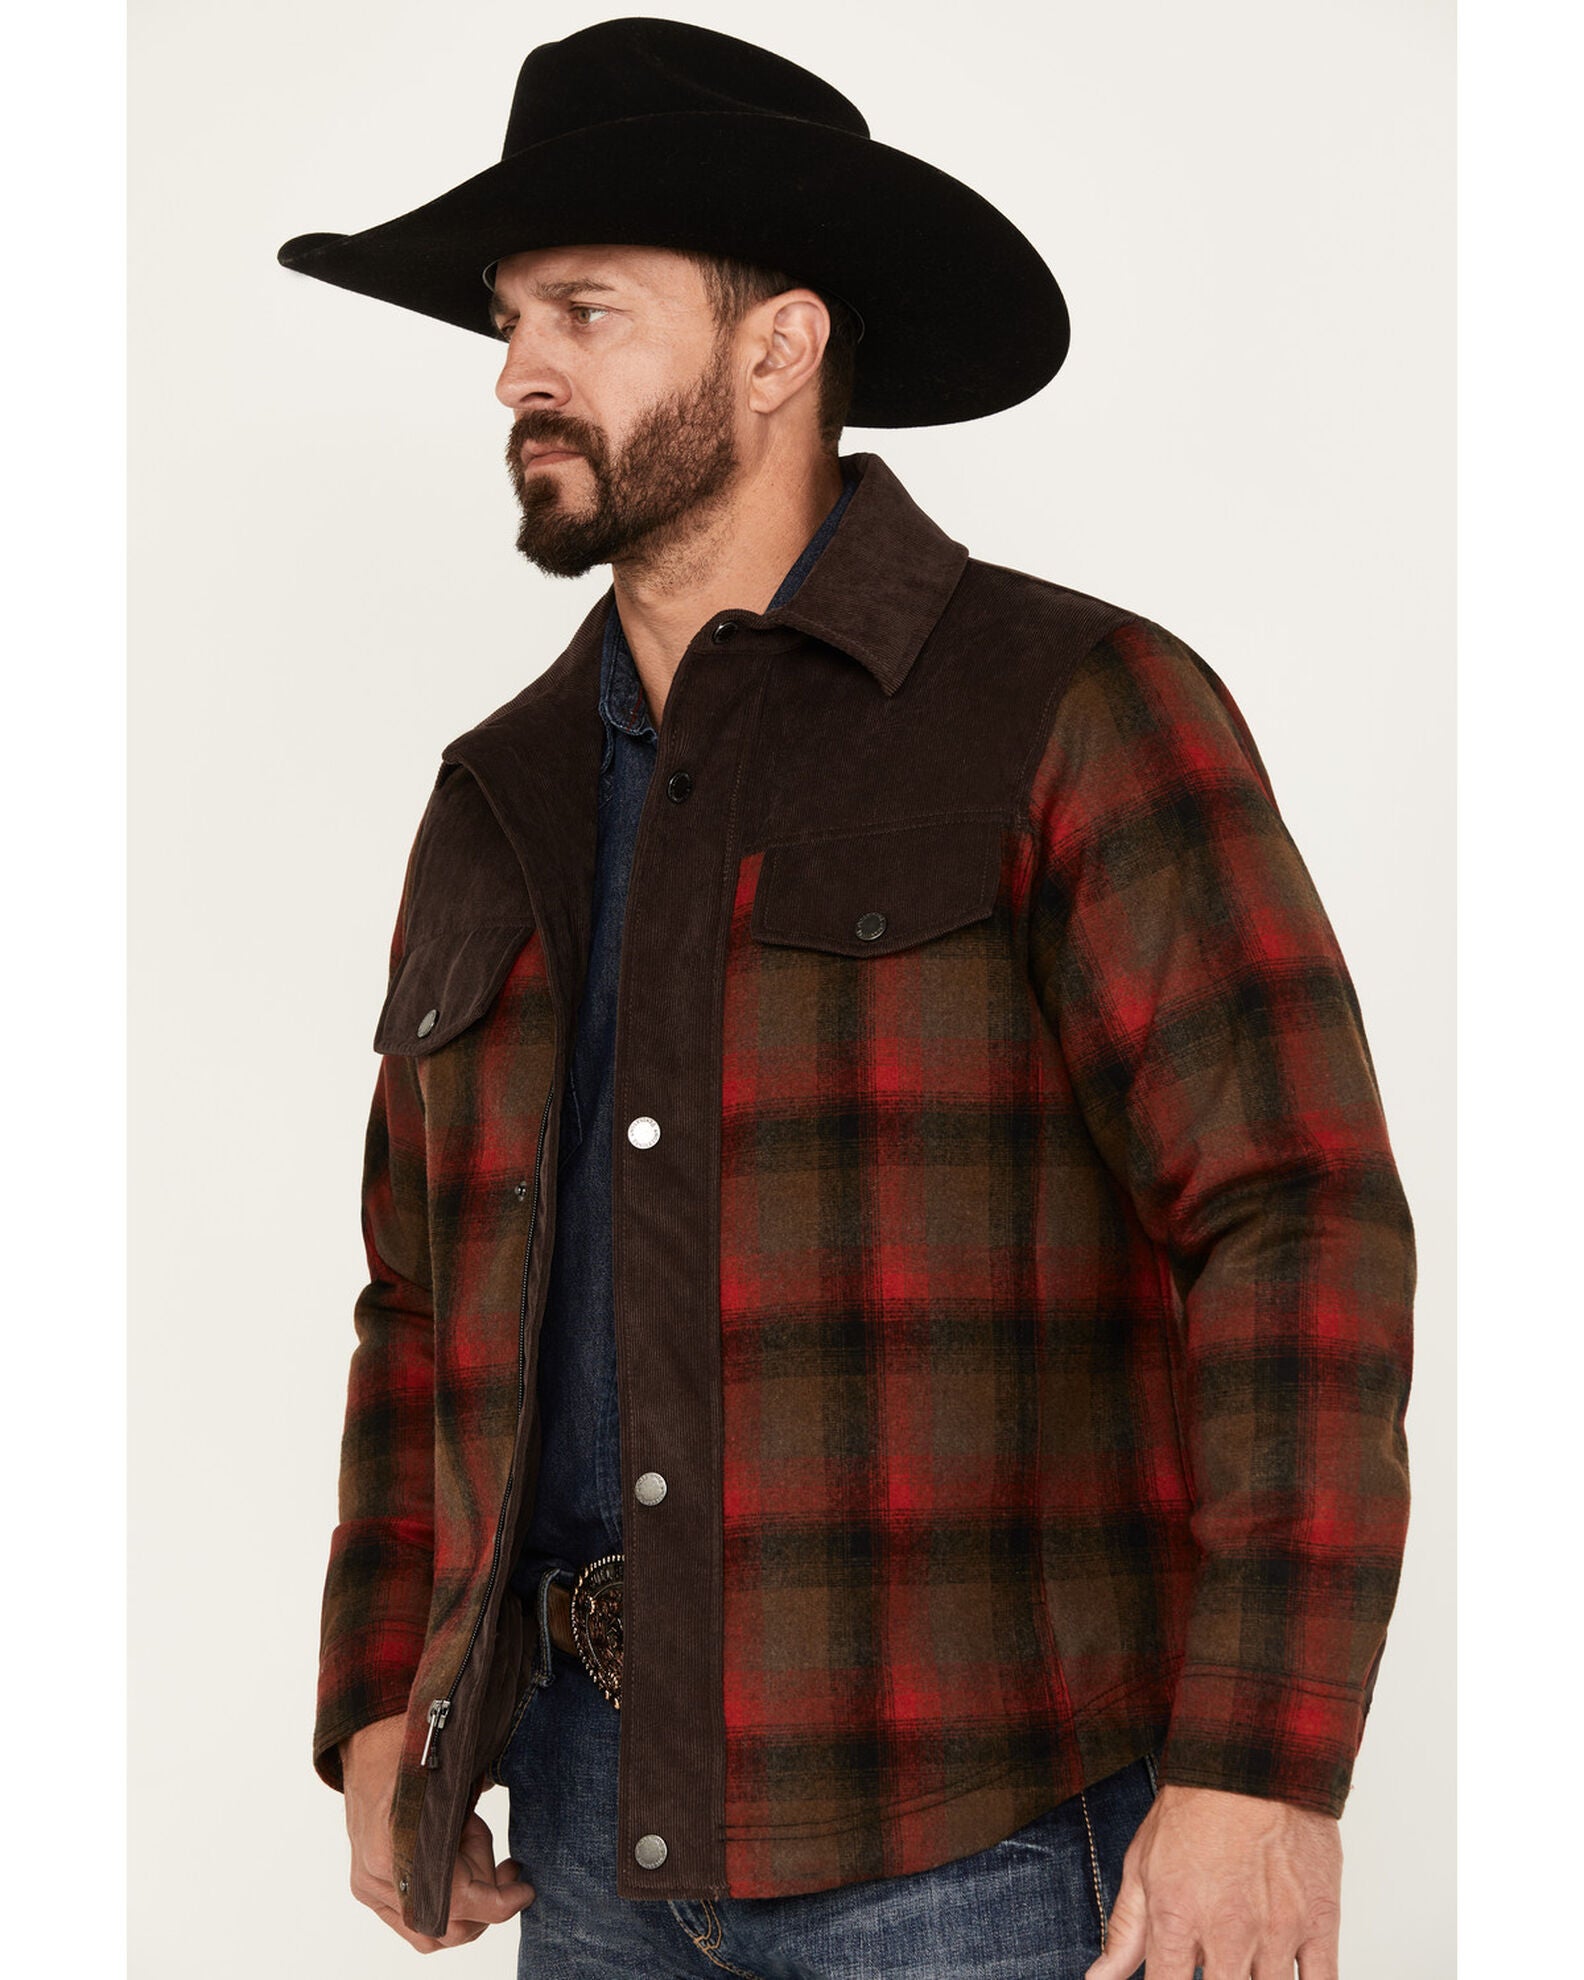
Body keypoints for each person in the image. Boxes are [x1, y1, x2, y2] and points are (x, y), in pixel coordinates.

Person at [278, 18, 1414, 1980]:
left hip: (979, 1845)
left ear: (778, 349)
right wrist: (390, 1690)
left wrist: (1261, 1766)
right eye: (509, 318)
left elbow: (1295, 1219)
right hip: (589, 1839)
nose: (517, 368)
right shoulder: (498, 799)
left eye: (584, 311)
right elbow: (419, 1291)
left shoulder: (1069, 707)